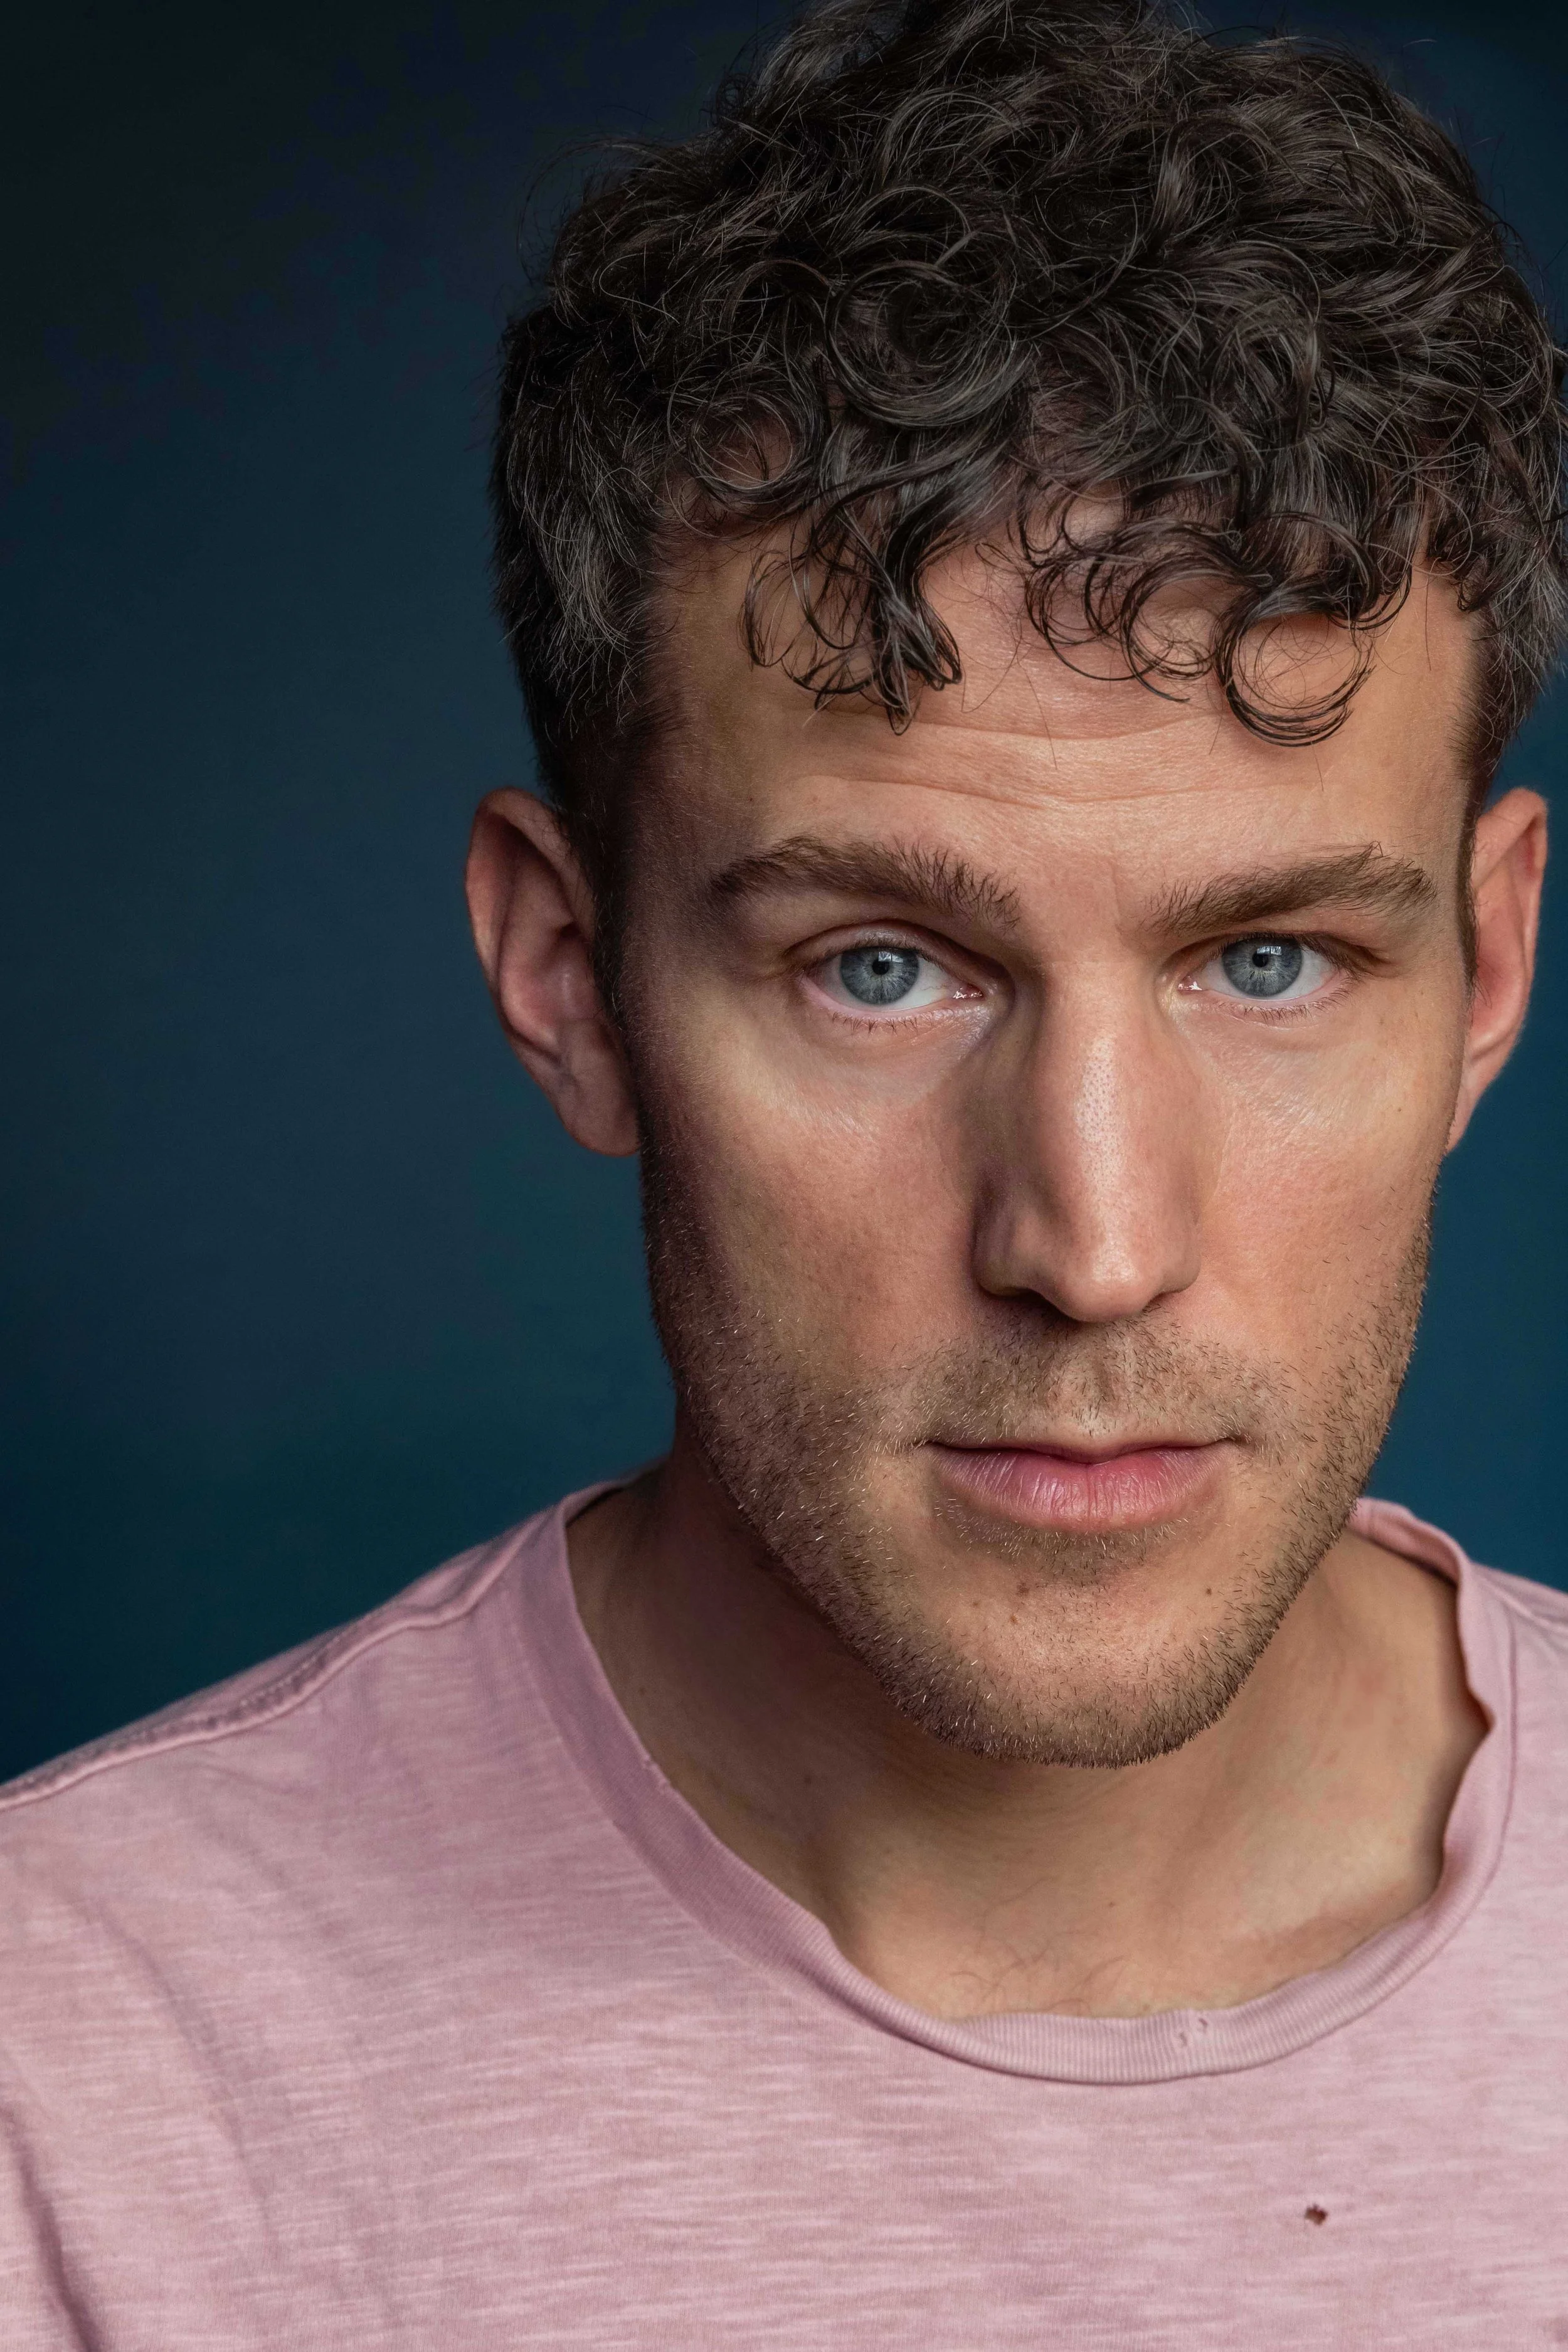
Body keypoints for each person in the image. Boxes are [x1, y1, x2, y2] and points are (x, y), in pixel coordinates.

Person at [3, 0, 1565, 2339]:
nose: (1094, 1245)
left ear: (1480, 972)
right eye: (880, 967)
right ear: (567, 973)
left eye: (1265, 961)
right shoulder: (79, 2070)